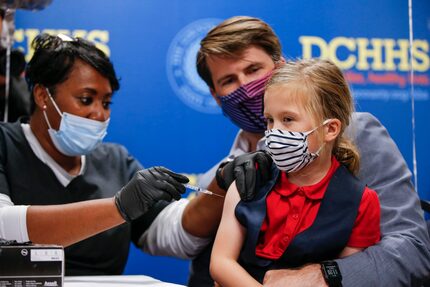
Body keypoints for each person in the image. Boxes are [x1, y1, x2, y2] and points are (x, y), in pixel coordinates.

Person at [178, 16, 430, 286]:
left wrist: (322, 275)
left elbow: (412, 249)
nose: (246, 88)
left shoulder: (356, 136)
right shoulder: (227, 178)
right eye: (229, 80)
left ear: (279, 68)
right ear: (216, 95)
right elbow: (208, 262)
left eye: (253, 70)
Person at [0, 33, 190, 275]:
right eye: (86, 99)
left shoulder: (116, 160)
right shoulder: (6, 144)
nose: (100, 115)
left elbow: (172, 232)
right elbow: (3, 227)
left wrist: (219, 186)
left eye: (106, 103)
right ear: (42, 96)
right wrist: (118, 208)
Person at [210, 58, 381, 286]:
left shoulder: (361, 202)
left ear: (330, 129)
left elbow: (349, 273)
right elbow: (221, 263)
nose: (273, 132)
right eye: (270, 120)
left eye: (288, 119)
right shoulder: (249, 181)